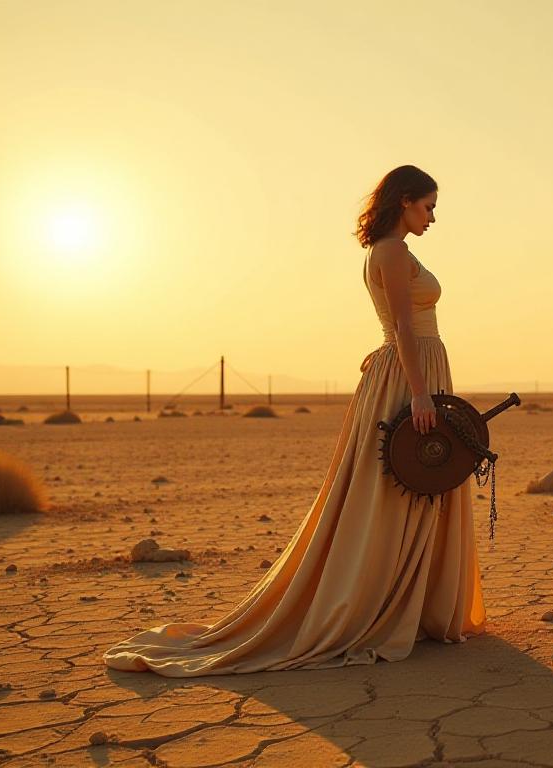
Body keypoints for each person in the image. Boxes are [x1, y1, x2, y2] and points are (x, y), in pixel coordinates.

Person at [103, 165, 487, 676]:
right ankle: (382, 608)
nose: (433, 217)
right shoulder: (392, 252)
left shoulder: (392, 251)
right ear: (405, 202)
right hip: (411, 375)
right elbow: (399, 323)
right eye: (428, 206)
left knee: (415, 487)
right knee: (405, 486)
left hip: (412, 368)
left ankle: (410, 606)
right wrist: (419, 394)